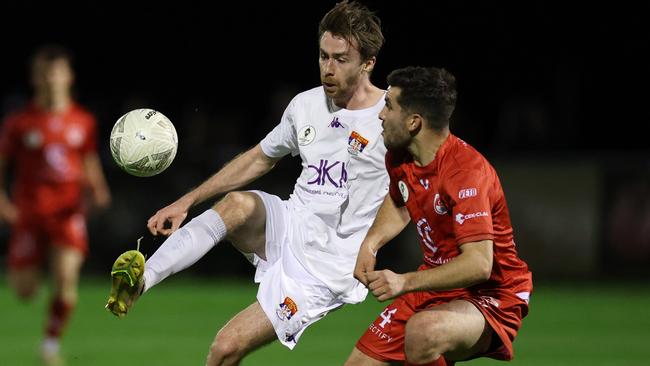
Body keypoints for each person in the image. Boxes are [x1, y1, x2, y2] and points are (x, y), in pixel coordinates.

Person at [106, 1, 389, 364]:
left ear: (368, 63)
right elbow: (259, 157)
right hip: (289, 223)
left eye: (340, 59)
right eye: (323, 56)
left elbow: (413, 189)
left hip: (327, 268)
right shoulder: (305, 105)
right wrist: (186, 202)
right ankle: (142, 282)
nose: (327, 69)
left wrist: (377, 245)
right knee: (238, 204)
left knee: (226, 349)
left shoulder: (390, 117)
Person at [344, 66, 533, 366]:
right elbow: (398, 201)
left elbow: (479, 264)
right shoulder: (399, 155)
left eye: (389, 106)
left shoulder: (465, 173)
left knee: (422, 333)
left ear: (413, 122)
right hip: (435, 284)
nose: (381, 115)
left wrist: (405, 282)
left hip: (492, 294)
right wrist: (370, 244)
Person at [0, 44, 111, 365]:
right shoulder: (19, 122)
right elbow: (3, 163)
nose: (52, 79)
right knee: (24, 291)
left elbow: (88, 160)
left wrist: (99, 188)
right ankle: (36, 266)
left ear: (69, 76)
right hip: (30, 212)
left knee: (66, 282)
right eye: (45, 73)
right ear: (35, 78)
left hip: (68, 212)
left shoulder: (83, 120)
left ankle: (49, 345)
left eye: (57, 72)